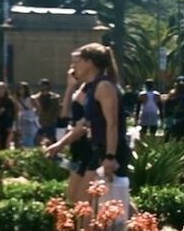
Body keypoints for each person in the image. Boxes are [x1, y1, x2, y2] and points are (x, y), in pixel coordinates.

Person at [45, 44, 129, 215]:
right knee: (98, 201)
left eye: (78, 60)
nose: (74, 65)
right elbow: (85, 124)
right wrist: (60, 144)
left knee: (84, 204)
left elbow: (112, 124)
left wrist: (110, 157)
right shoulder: (92, 88)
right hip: (98, 149)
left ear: (89, 63)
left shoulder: (104, 86)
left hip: (109, 150)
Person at [34, 80, 62, 148]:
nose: (43, 88)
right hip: (40, 122)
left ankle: (53, 153)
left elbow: (57, 110)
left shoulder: (55, 97)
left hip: (51, 122)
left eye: (44, 86)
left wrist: (53, 119)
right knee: (36, 139)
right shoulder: (37, 97)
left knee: (51, 139)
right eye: (41, 86)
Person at [0, 81, 17, 150]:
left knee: (7, 144)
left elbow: (15, 112)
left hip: (8, 125)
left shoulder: (9, 100)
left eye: (2, 88)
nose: (1, 90)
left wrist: (14, 125)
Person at [16, 85, 40, 149]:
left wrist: (35, 116)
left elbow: (38, 108)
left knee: (32, 135)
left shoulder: (31, 98)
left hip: (31, 118)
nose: (21, 91)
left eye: (23, 89)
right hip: (22, 118)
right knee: (24, 136)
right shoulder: (18, 99)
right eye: (20, 89)